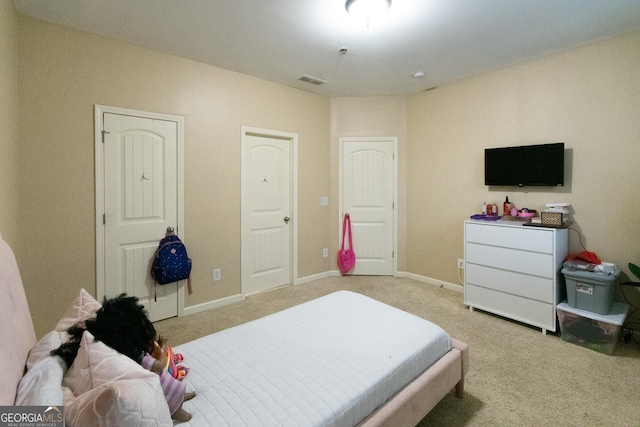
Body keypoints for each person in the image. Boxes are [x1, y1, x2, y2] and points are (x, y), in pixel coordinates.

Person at [51, 294, 194, 422]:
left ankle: (180, 396)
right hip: (166, 392)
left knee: (178, 392)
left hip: (167, 388)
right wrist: (163, 348)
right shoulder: (137, 358)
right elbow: (160, 365)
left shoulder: (119, 352)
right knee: (184, 414)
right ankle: (179, 407)